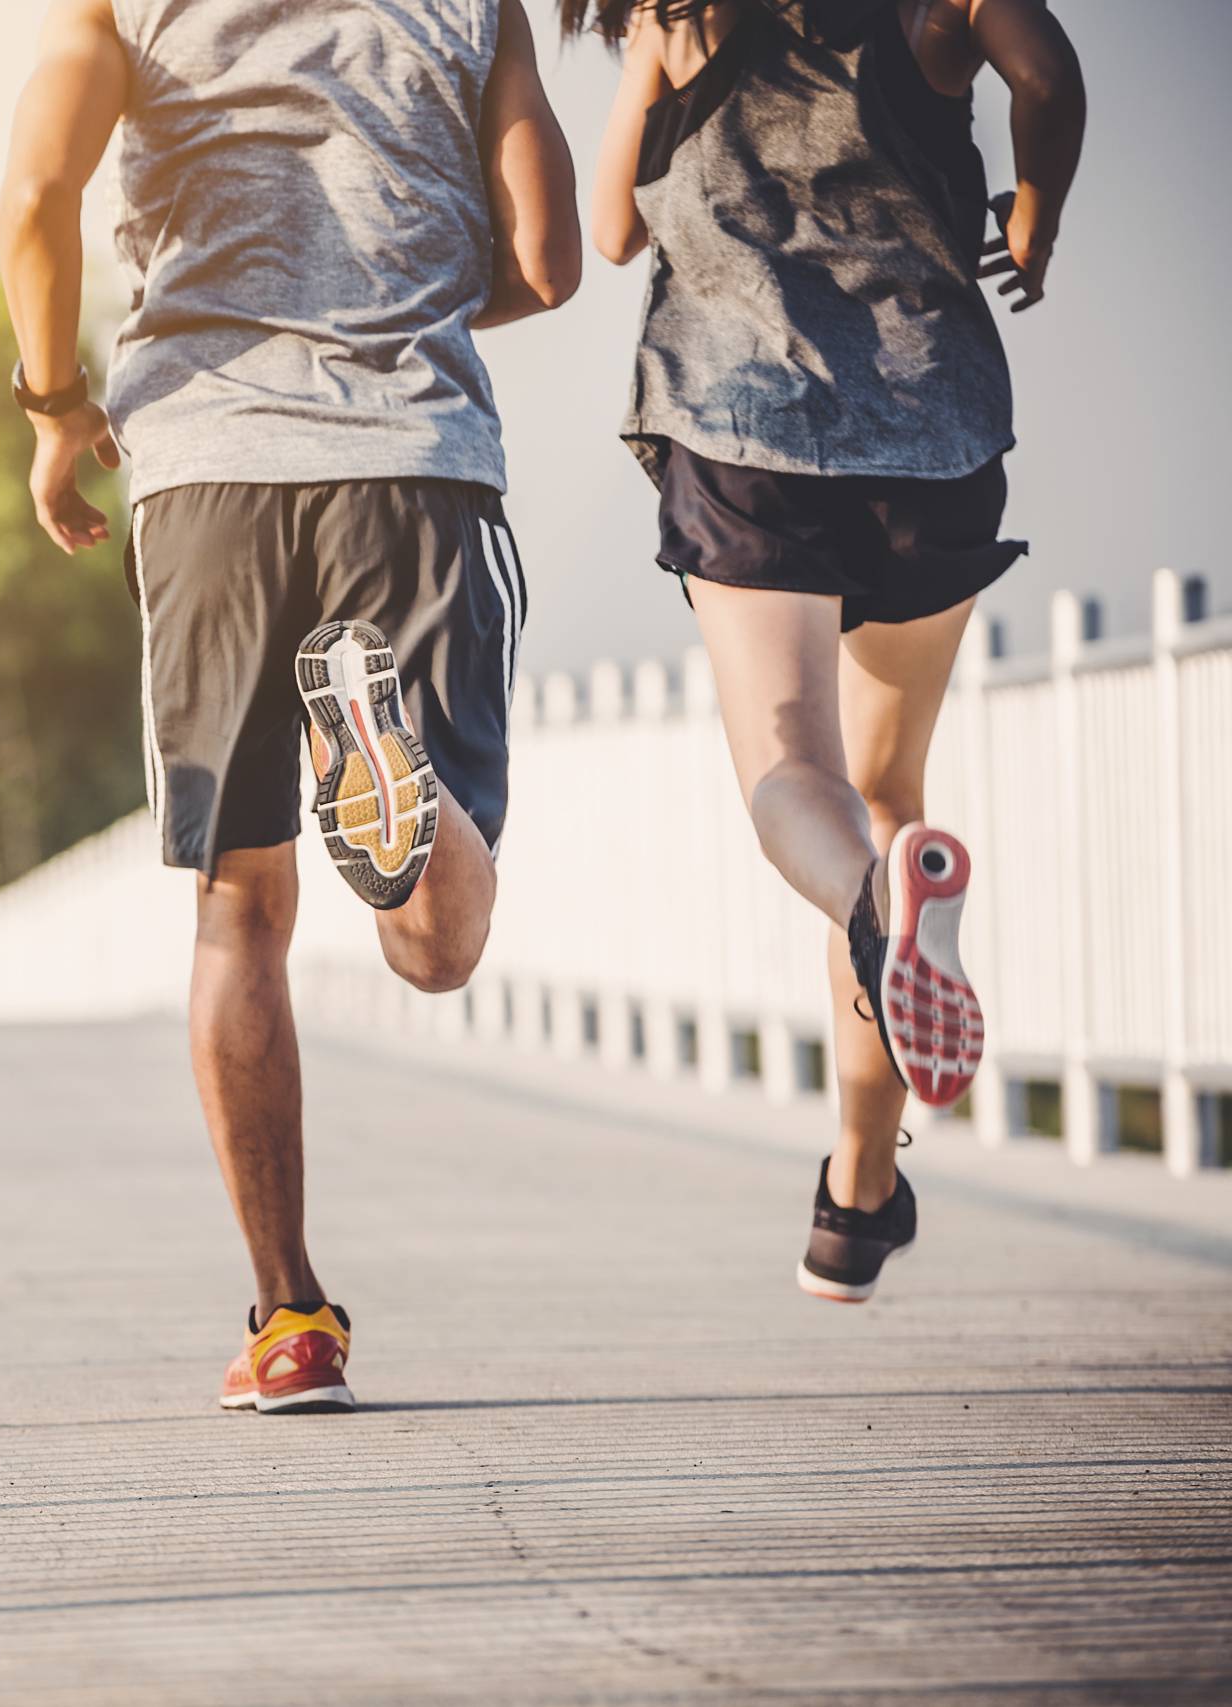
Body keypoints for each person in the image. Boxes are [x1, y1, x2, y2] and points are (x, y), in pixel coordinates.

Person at [0, 0, 579, 1411]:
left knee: (236, 909)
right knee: (433, 947)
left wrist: (56, 405)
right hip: (415, 463)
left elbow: (32, 199)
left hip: (207, 470)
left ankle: (289, 1320)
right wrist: (421, 292)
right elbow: (549, 261)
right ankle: (389, 765)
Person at [572, 0, 1085, 1300]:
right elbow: (1051, 75)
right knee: (891, 800)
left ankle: (876, 916)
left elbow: (611, 226)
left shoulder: (674, 14)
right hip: (934, 431)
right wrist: (1037, 211)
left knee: (800, 781)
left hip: (743, 430)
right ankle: (858, 1196)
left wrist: (658, 63)